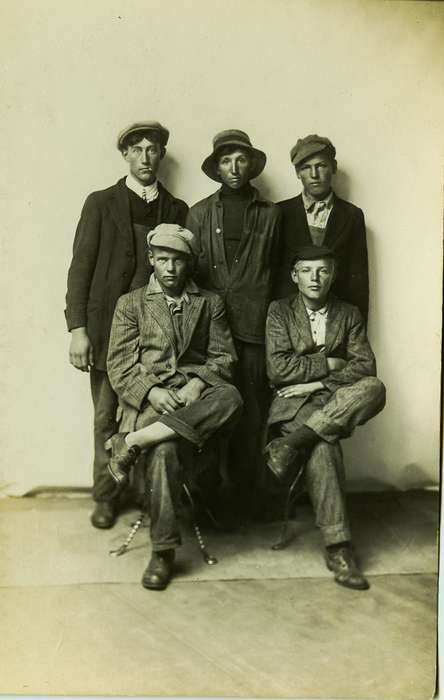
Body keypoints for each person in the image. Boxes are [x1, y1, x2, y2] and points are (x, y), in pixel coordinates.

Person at [65, 121, 188, 530]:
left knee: (148, 414)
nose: (145, 157)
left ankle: (148, 496)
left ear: (161, 155)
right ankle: (106, 495)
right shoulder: (100, 203)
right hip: (104, 332)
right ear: (125, 155)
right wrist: (78, 328)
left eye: (152, 149)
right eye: (136, 149)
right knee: (105, 417)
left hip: (155, 334)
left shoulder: (176, 209)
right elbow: (80, 268)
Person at [106, 223, 243, 590]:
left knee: (231, 396)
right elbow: (119, 365)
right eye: (162, 259)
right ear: (151, 260)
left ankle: (132, 443)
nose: (169, 268)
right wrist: (151, 392)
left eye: (177, 261)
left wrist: (199, 382)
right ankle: (162, 552)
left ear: (189, 263)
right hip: (152, 403)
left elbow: (224, 357)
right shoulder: (130, 303)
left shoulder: (209, 302)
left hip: (191, 397)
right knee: (165, 450)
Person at [265, 247, 385, 589]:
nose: (315, 279)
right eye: (307, 271)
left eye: (322, 271)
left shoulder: (348, 313)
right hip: (291, 406)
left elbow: (365, 367)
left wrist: (316, 383)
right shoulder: (279, 311)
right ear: (294, 276)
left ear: (332, 275)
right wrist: (331, 363)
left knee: (375, 387)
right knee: (323, 447)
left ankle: (287, 446)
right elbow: (278, 369)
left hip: (335, 400)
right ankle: (339, 548)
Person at [186, 129, 281, 510]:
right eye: (226, 160)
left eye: (241, 159)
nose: (234, 167)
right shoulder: (198, 213)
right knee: (211, 409)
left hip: (256, 329)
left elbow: (276, 273)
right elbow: (188, 275)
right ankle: (207, 497)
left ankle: (245, 497)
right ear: (217, 167)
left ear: (251, 164)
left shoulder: (272, 215)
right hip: (209, 333)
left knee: (252, 413)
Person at [276, 135, 369, 322]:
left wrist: (356, 330)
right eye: (306, 168)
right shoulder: (279, 212)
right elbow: (272, 274)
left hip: (337, 321)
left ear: (333, 167)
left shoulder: (352, 215)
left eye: (321, 165)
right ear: (297, 173)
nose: (314, 174)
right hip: (291, 321)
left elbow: (358, 280)